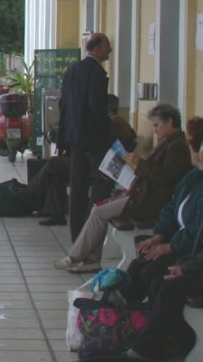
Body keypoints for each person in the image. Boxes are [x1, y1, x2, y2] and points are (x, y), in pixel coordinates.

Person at [127, 135, 203, 361]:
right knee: (159, 280)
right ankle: (175, 340)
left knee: (170, 287)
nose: (200, 168)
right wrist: (186, 263)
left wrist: (188, 267)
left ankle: (145, 352)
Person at [54, 104, 192, 273]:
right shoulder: (169, 143)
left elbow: (163, 176)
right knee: (99, 208)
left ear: (169, 121)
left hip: (150, 200)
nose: (156, 130)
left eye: (157, 125)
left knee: (99, 212)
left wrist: (138, 163)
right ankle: (89, 259)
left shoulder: (177, 147)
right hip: (143, 194)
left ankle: (78, 257)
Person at [123, 118, 203, 304]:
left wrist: (171, 247)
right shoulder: (195, 175)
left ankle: (146, 320)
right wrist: (160, 235)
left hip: (188, 248)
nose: (188, 146)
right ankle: (127, 313)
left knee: (154, 275)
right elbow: (172, 206)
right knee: (138, 264)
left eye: (191, 143)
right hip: (178, 241)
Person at [31, 94, 137, 226]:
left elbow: (98, 146)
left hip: (97, 167)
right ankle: (55, 212)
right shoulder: (118, 122)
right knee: (56, 172)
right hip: (97, 164)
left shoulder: (114, 124)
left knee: (54, 163)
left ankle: (32, 192)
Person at [57, 32, 113, 241]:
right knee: (103, 181)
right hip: (93, 139)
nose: (110, 50)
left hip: (74, 137)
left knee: (78, 185)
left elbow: (63, 106)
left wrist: (63, 138)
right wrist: (106, 131)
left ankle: (77, 234)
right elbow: (97, 107)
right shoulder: (96, 73)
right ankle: (92, 227)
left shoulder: (72, 70)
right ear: (96, 48)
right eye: (107, 46)